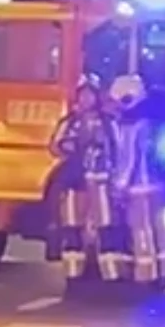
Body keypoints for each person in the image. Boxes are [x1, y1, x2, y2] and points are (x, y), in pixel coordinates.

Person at [107, 73, 165, 287]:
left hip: (138, 186)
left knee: (140, 229)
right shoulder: (153, 121)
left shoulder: (131, 124)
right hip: (157, 185)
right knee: (159, 228)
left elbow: (129, 158)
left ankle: (145, 275)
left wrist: (119, 185)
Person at [48, 76, 116, 283]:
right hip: (74, 180)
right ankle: (74, 272)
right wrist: (69, 146)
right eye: (83, 94)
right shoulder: (70, 122)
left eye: (90, 94)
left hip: (100, 181)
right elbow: (54, 145)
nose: (86, 99)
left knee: (104, 227)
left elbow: (117, 149)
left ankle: (110, 274)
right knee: (72, 226)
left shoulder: (107, 122)